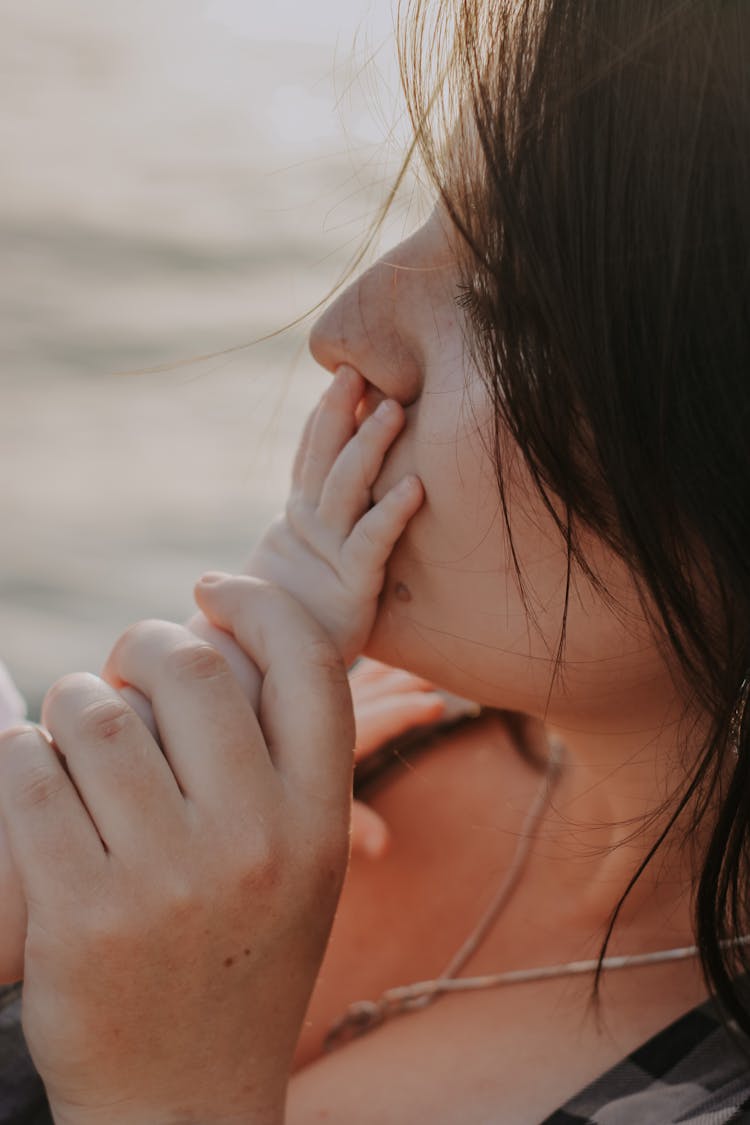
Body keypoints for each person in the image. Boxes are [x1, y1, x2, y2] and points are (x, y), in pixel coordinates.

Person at [2, 0, 750, 1121]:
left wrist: (168, 1094)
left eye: (513, 305)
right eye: (421, 217)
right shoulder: (375, 721)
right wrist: (237, 674)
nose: (344, 327)